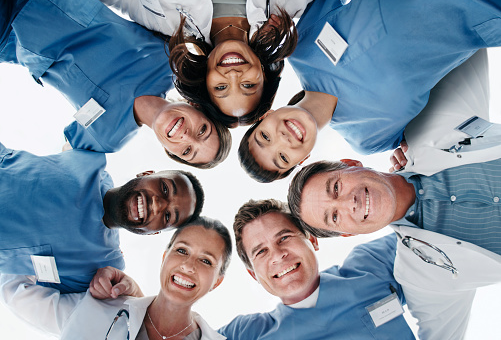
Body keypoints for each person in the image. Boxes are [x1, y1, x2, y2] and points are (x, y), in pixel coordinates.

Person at [286, 50, 501, 340]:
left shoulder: (428, 123)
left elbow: (464, 32)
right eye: (334, 216)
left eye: (336, 188)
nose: (348, 203)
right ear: (347, 234)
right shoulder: (421, 278)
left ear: (350, 165)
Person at [238, 0, 501, 181]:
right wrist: (413, 161)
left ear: (265, 115)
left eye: (265, 137)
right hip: (488, 14)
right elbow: (439, 129)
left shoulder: (301, 48)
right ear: (303, 161)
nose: (282, 140)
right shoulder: (370, 139)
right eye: (283, 158)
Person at [1, 0, 230, 168]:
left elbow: (67, 162)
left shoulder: (107, 138)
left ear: (170, 152)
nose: (186, 136)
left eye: (188, 151)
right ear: (198, 107)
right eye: (202, 130)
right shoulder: (169, 59)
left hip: (9, 39)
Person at [0, 141, 204, 294]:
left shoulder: (104, 265)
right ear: (145, 173)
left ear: (155, 232)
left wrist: (134, 293)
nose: (158, 204)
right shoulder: (91, 156)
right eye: (165, 188)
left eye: (168, 216)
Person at [95, 0, 316, 127]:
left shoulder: (169, 24)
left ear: (205, 80)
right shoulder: (289, 4)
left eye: (221, 88)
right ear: (264, 73)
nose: (233, 76)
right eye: (248, 85)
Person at [0, 217, 231, 339]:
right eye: (181, 250)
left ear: (217, 282)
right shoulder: (97, 306)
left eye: (206, 261)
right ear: (164, 257)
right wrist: (56, 238)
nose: (188, 266)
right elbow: (16, 288)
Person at [219, 199, 415, 339]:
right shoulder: (246, 334)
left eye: (284, 238)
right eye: (261, 251)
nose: (278, 255)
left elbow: (426, 225)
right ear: (254, 275)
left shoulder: (371, 266)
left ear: (312, 240)